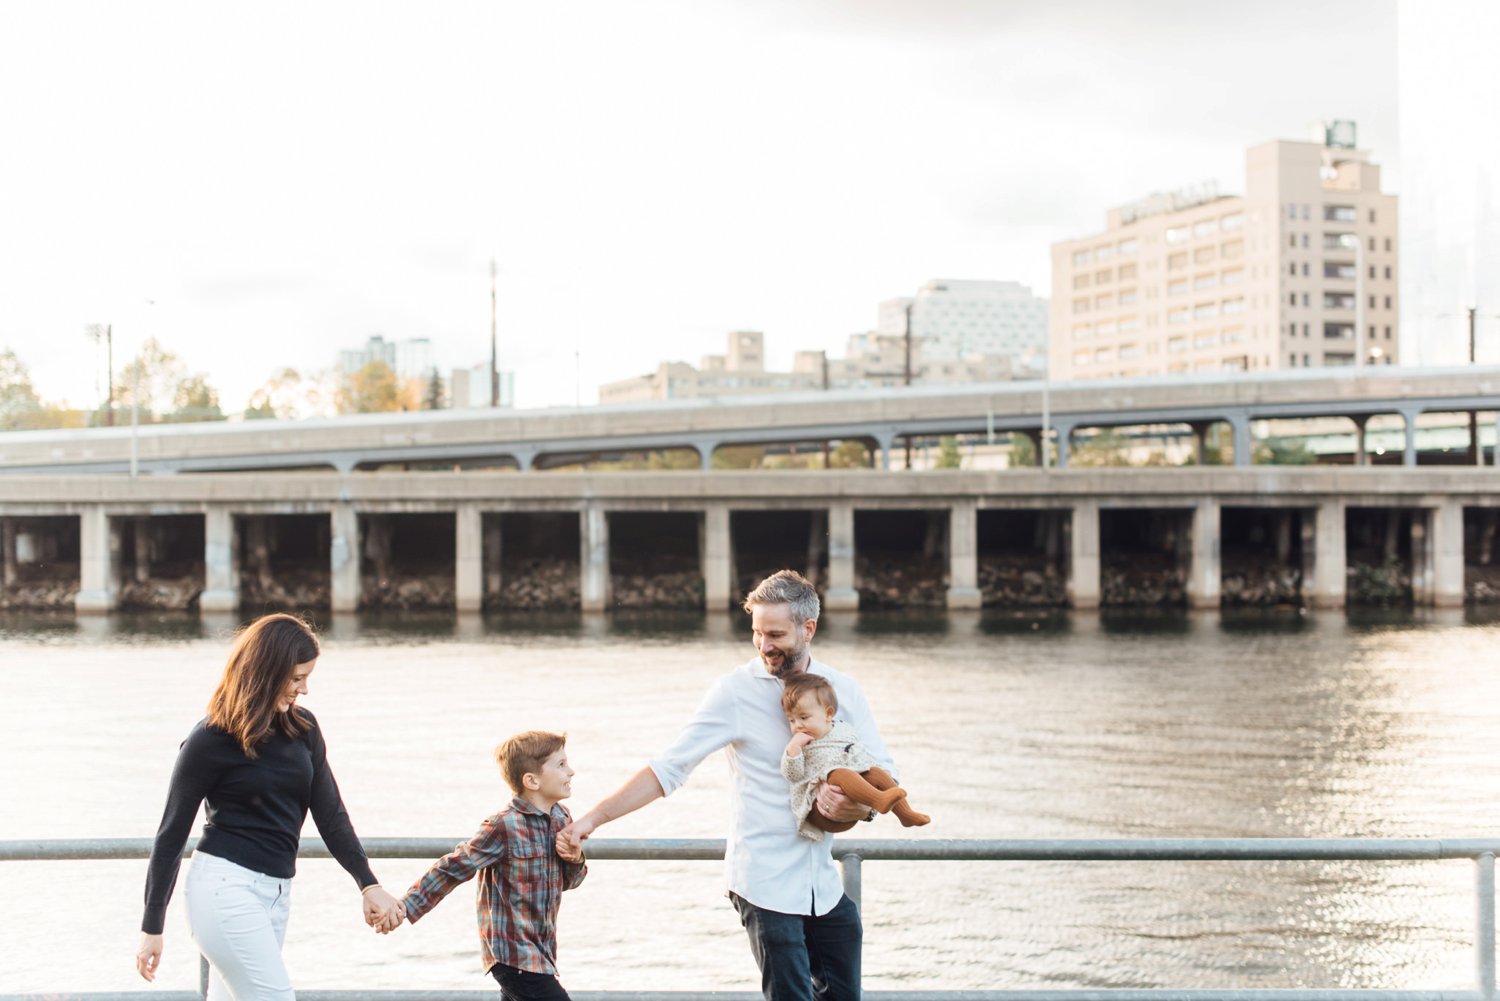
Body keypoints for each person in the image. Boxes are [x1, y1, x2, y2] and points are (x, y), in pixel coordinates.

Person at [558, 569, 891, 1001]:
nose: (764, 645)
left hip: (823, 887)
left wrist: (857, 807)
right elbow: (668, 768)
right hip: (764, 883)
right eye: (756, 633)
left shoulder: (844, 690)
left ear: (808, 629)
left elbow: (884, 771)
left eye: (775, 634)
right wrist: (592, 819)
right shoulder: (734, 692)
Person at [136, 613, 402, 999]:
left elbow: (331, 814)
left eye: (307, 678)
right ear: (266, 671)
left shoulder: (303, 730)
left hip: (277, 894)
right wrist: (152, 927)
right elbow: (171, 835)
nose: (304, 689)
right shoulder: (209, 740)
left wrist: (368, 883)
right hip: (225, 889)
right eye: (296, 678)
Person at [380, 730, 587, 1001]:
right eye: (561, 765)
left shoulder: (562, 818)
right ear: (532, 780)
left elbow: (570, 882)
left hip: (542, 951)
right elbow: (453, 867)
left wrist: (575, 858)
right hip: (512, 955)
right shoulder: (503, 826)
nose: (570, 772)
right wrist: (406, 905)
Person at [780, 673, 929, 840]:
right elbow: (793, 775)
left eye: (804, 718)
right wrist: (794, 749)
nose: (797, 725)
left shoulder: (844, 731)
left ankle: (905, 814)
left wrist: (870, 783)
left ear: (829, 714)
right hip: (818, 810)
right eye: (791, 720)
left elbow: (861, 756)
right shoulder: (801, 744)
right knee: (839, 773)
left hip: (851, 809)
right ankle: (878, 799)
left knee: (876, 772)